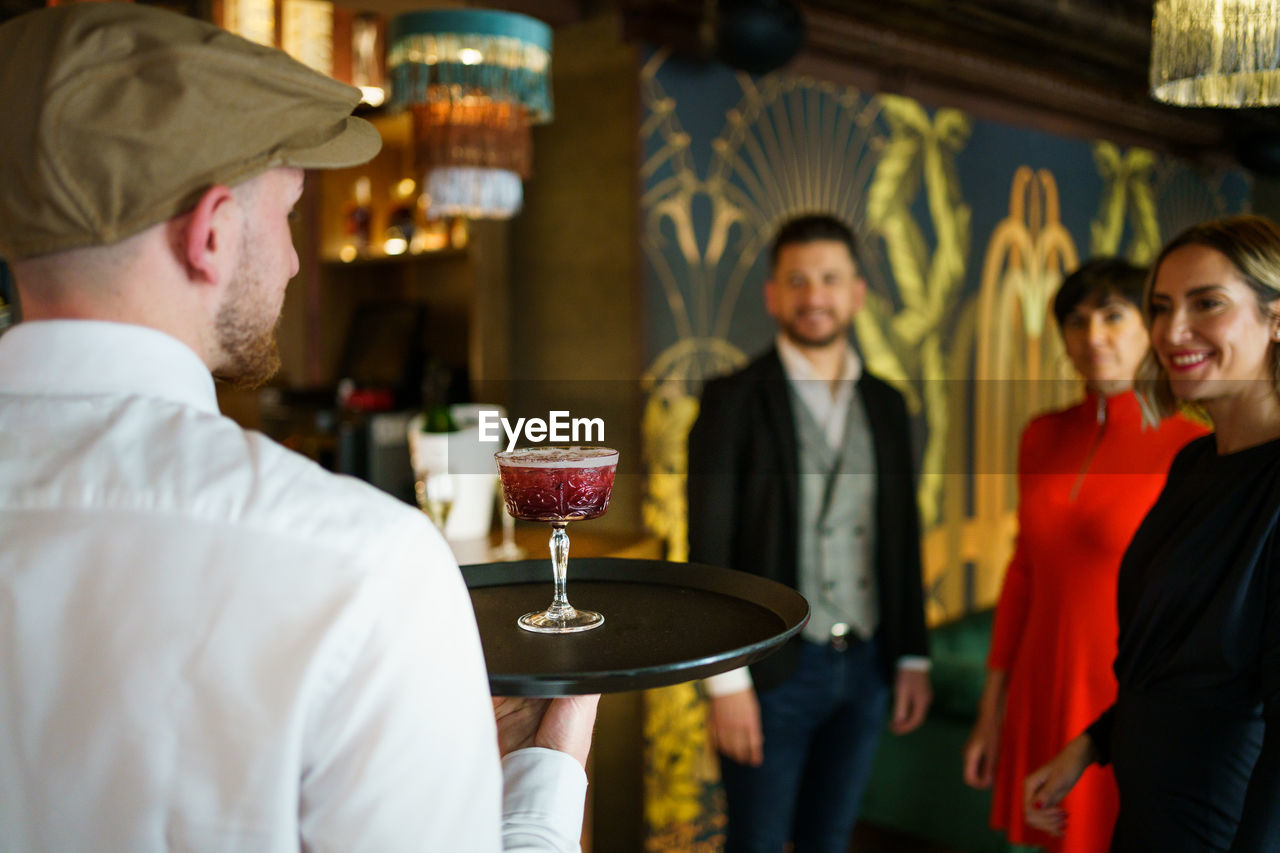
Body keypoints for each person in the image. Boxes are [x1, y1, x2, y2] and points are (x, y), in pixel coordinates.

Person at [0, 5, 596, 851]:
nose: (288, 260)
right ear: (209, 235)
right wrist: (547, 766)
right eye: (285, 215)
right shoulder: (360, 567)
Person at [1024, 214, 1280, 851]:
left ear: (1277, 318)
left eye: (1207, 304)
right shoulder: (1195, 463)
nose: (1172, 331)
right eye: (1161, 308)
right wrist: (1091, 744)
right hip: (1145, 811)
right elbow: (1175, 659)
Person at [686, 214, 932, 853]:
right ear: (774, 295)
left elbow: (902, 537)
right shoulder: (731, 398)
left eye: (829, 278)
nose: (814, 295)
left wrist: (911, 654)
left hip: (870, 666)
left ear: (856, 292)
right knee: (758, 844)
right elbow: (709, 550)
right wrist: (726, 682)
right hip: (771, 674)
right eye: (797, 280)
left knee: (831, 840)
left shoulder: (887, 402)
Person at [961, 259, 1206, 853]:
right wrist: (990, 711)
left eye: (1114, 316)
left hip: (1121, 692)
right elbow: (1023, 574)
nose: (1093, 336)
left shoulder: (1195, 448)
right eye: (1076, 320)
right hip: (1038, 680)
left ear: (1151, 327)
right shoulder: (1040, 435)